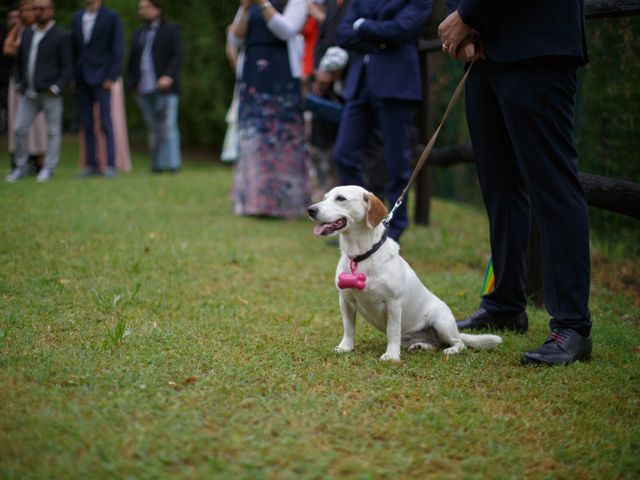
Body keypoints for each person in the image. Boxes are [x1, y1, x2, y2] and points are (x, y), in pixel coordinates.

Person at [439, 1, 592, 366]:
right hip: (482, 54)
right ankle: (505, 302)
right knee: (499, 186)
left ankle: (572, 324)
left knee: (552, 186)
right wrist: (464, 28)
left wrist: (468, 15)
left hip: (536, 42)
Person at [332, 0, 432, 242]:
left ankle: (393, 229)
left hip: (395, 85)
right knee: (343, 153)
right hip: (359, 85)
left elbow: (401, 30)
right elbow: (342, 33)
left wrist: (362, 27)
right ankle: (354, 222)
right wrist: (380, 39)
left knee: (396, 162)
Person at [230, 0, 312, 218]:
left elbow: (286, 31)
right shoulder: (251, 4)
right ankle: (253, 202)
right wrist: (246, 9)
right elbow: (235, 39)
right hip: (252, 78)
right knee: (252, 140)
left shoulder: (296, 2)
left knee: (283, 141)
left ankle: (285, 204)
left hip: (281, 79)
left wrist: (263, 4)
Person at [5, 0, 72, 183]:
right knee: (19, 129)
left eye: (42, 9)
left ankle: (48, 169)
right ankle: (21, 166)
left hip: (50, 93)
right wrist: (19, 82)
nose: (38, 12)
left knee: (52, 131)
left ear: (52, 11)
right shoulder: (27, 34)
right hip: (29, 93)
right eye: (35, 9)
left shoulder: (60, 36)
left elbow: (67, 66)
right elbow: (19, 62)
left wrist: (57, 86)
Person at [127, 0, 183, 173]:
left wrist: (168, 76)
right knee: (153, 128)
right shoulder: (139, 34)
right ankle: (157, 164)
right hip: (144, 89)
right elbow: (132, 61)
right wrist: (132, 83)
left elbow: (178, 55)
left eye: (146, 7)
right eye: (140, 8)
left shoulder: (170, 30)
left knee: (168, 125)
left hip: (166, 89)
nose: (142, 11)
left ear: (157, 9)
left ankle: (173, 164)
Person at [71, 0, 124, 177]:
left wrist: (111, 76)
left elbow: (117, 49)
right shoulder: (76, 17)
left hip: (102, 77)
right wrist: (73, 77)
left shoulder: (111, 17)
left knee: (105, 121)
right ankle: (91, 165)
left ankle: (110, 164)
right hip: (82, 78)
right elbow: (74, 50)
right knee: (86, 123)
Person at [3, 0, 47, 173]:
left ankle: (38, 161)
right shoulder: (20, 31)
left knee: (39, 125)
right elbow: (8, 50)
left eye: (28, 10)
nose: (24, 14)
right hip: (20, 83)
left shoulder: (38, 31)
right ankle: (20, 161)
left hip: (37, 83)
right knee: (18, 123)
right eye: (22, 11)